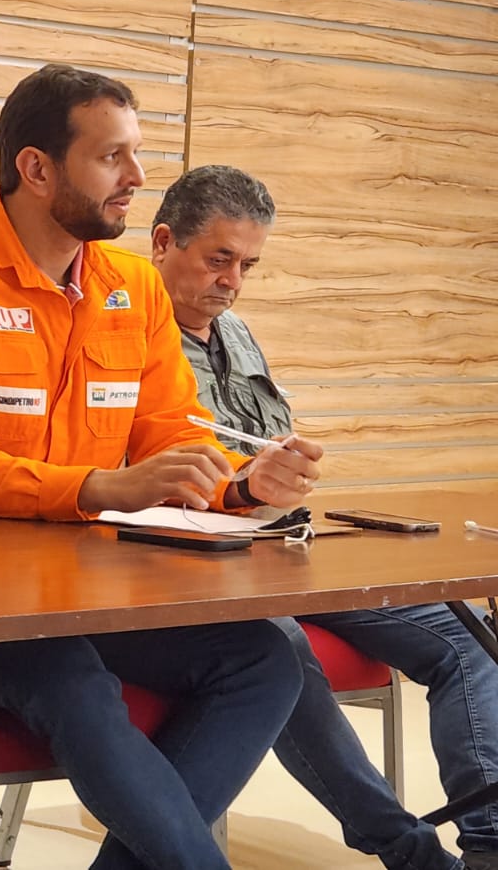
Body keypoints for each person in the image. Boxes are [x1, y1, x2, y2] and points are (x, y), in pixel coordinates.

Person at [0, 63, 313, 870]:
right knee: (76, 686)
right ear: (37, 168)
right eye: (113, 157)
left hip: (89, 589)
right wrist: (98, 487)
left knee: (267, 659)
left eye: (136, 154)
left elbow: (170, 437)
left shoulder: (134, 286)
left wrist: (243, 483)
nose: (138, 178)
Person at [154, 163, 498, 870]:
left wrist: (286, 466)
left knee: (466, 634)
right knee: (280, 656)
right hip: (189, 567)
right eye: (219, 260)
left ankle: (490, 846)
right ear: (163, 243)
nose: (233, 281)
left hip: (285, 547)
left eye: (248, 265)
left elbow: (268, 445)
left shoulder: (235, 330)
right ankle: (410, 854)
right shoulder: (121, 331)